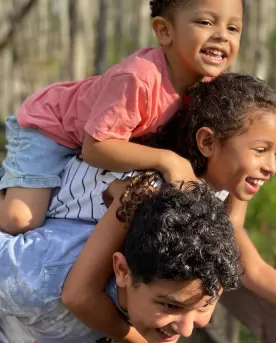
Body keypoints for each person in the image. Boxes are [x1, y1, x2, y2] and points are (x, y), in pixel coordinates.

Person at [62, 73, 276, 342]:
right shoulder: (150, 192)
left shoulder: (227, 190)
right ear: (208, 142)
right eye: (260, 150)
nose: (271, 167)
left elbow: (252, 269)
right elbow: (78, 294)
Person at [0, 0, 244, 233]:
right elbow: (95, 148)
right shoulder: (138, 78)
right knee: (20, 219)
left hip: (95, 131)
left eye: (233, 28)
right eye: (205, 22)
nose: (222, 35)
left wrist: (236, 209)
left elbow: (238, 143)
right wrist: (168, 160)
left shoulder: (210, 87)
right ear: (164, 31)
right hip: (52, 126)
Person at [0, 181, 243, 343]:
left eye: (204, 306)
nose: (187, 330)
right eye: (170, 306)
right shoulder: (37, 282)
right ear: (122, 270)